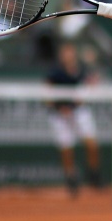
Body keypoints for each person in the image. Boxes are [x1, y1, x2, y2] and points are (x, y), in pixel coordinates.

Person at [46, 41, 102, 197]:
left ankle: (94, 174)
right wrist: (59, 107)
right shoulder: (54, 72)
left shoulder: (83, 70)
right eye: (65, 52)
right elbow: (47, 93)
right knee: (66, 148)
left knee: (92, 143)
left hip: (78, 112)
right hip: (59, 114)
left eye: (70, 52)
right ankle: (71, 179)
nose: (67, 55)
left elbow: (90, 86)